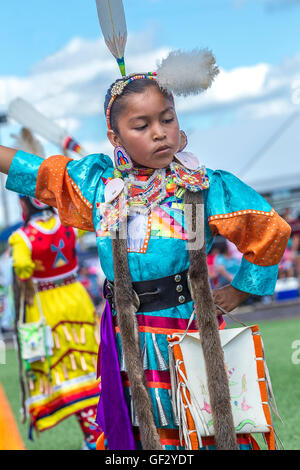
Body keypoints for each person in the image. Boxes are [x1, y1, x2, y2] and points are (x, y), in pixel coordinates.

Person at [0, 68, 291, 449]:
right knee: (137, 426)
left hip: (185, 328)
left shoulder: (202, 186)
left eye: (167, 118)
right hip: (124, 335)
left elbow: (269, 229)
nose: (159, 132)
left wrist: (239, 290)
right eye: (141, 125)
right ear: (115, 137)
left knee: (195, 421)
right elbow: (37, 171)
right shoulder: (99, 186)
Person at [8, 129, 101, 450]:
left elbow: (22, 275)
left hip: (42, 308)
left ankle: (94, 436)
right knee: (90, 368)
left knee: (57, 371)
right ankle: (97, 433)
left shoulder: (21, 239)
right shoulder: (67, 225)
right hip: (77, 299)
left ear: (24, 202)